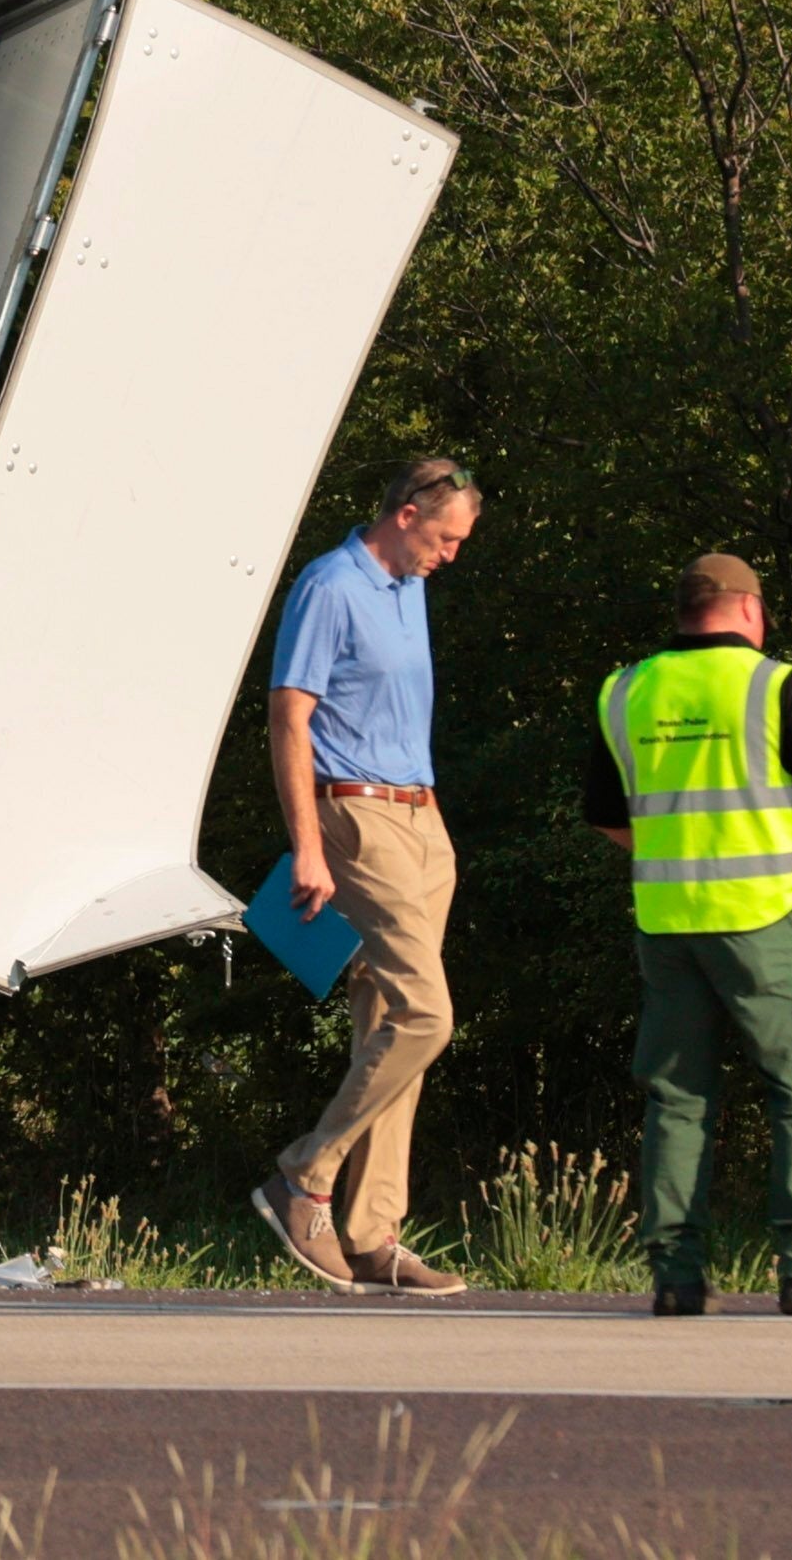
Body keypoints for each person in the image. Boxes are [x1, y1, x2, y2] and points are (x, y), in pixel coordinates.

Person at [586, 554, 792, 1317]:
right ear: (750, 611)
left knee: (678, 1096)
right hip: (763, 917)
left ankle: (677, 1276)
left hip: (667, 920)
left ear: (686, 611)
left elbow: (606, 813)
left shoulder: (625, 690)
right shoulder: (774, 685)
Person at [251, 456, 481, 1297]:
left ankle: (372, 1231)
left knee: (389, 1015)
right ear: (410, 513)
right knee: (428, 1014)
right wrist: (307, 845)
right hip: (355, 814)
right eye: (448, 538)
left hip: (424, 820)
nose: (451, 556)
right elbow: (288, 716)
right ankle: (304, 1174)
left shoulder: (407, 587)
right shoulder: (331, 585)